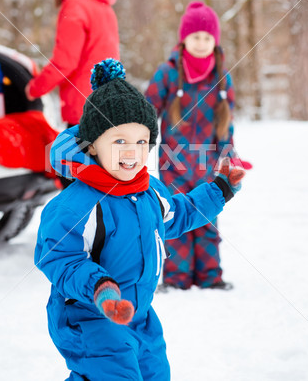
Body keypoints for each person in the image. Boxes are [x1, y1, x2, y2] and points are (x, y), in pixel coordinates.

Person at [34, 58, 245, 380]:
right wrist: (101, 287)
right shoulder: (74, 206)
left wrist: (220, 190)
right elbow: (61, 258)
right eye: (119, 141)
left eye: (141, 142)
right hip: (91, 317)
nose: (132, 152)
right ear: (93, 146)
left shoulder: (148, 191)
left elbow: (177, 214)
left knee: (155, 374)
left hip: (140, 314)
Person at [145, 1, 242, 291]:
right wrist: (137, 147)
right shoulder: (168, 73)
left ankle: (211, 277)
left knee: (208, 218)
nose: (201, 43)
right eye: (196, 37)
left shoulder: (222, 78)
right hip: (173, 163)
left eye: (207, 37)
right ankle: (176, 279)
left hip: (208, 163)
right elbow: (148, 112)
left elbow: (226, 126)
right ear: (184, 39)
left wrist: (229, 160)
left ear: (215, 41)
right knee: (175, 216)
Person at [25, 0, 120, 128]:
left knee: (77, 156)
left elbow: (65, 62)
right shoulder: (103, 6)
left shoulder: (75, 6)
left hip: (83, 108)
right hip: (106, 103)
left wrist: (34, 87)